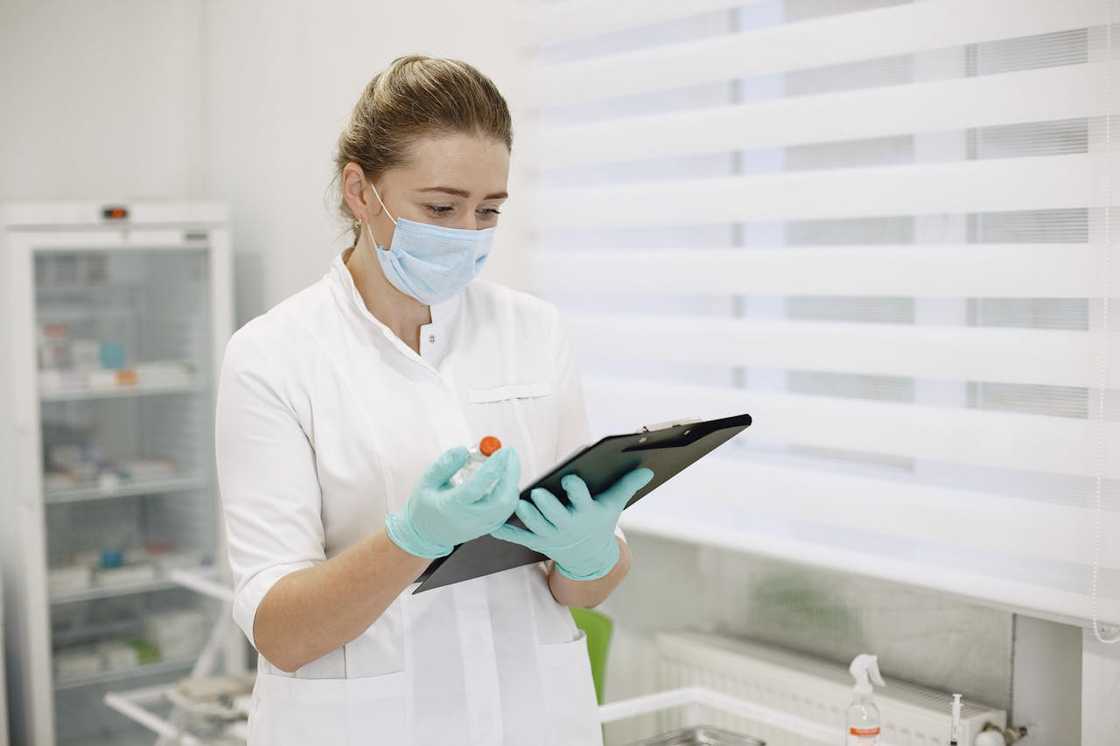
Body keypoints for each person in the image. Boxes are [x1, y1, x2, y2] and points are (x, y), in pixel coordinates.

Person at [215, 55, 653, 745]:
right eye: (441, 208)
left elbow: (581, 589)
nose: (469, 233)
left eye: (489, 210)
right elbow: (282, 633)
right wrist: (411, 539)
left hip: (532, 720)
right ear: (361, 192)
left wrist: (591, 552)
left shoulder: (535, 331)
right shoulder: (273, 356)